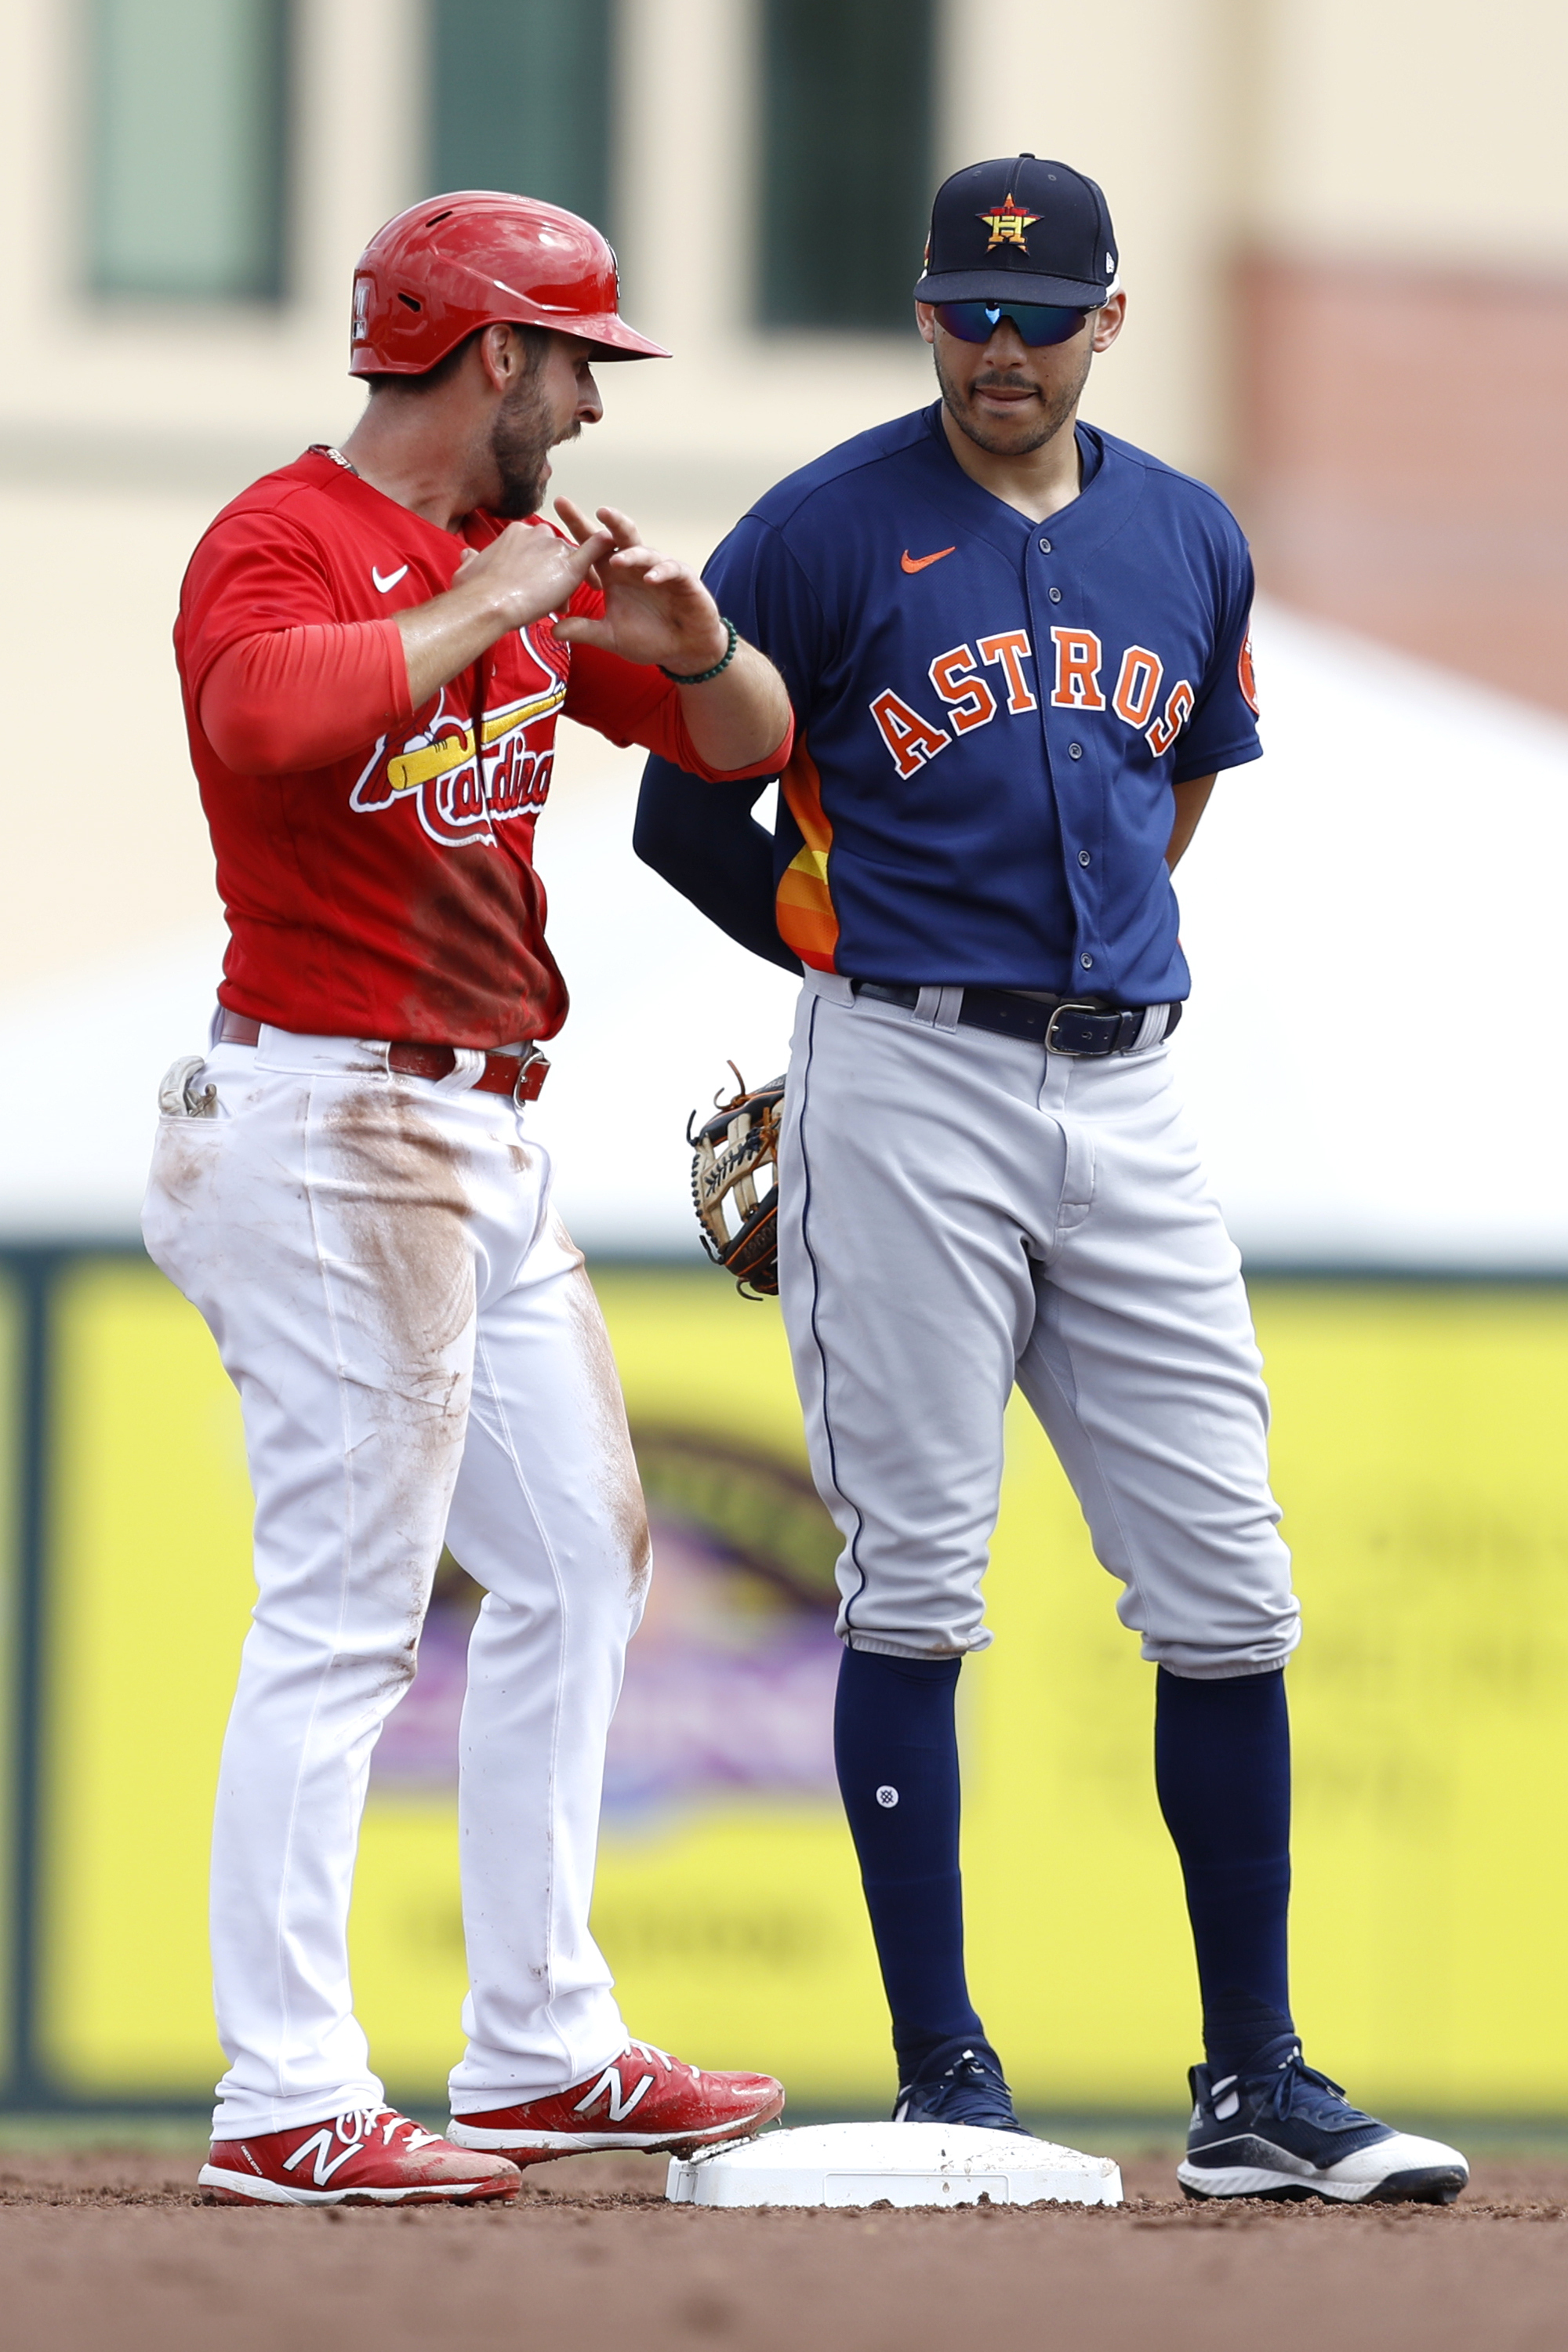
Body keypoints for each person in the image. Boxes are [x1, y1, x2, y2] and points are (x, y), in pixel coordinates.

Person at [634, 156, 1469, 2205]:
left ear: (1109, 321)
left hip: (1131, 1086)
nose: (996, 347)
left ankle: (1256, 2086)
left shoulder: (1187, 534)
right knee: (916, 1576)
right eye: (963, 312)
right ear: (927, 318)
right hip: (904, 1072)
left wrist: (1070, 970)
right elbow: (684, 811)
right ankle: (949, 2078)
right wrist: (855, 964)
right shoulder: (826, 528)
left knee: (1231, 1587)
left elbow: (1173, 780)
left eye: (1035, 314)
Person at [144, 191, 792, 2208]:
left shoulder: (485, 567)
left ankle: (539, 2044)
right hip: (331, 1117)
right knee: (346, 1615)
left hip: (484, 1132)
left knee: (588, 1565)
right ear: (494, 354)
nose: (593, 403)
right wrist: (491, 597)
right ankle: (283, 2093)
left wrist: (691, 642)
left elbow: (739, 743)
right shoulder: (290, 535)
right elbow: (262, 715)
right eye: (579, 358)